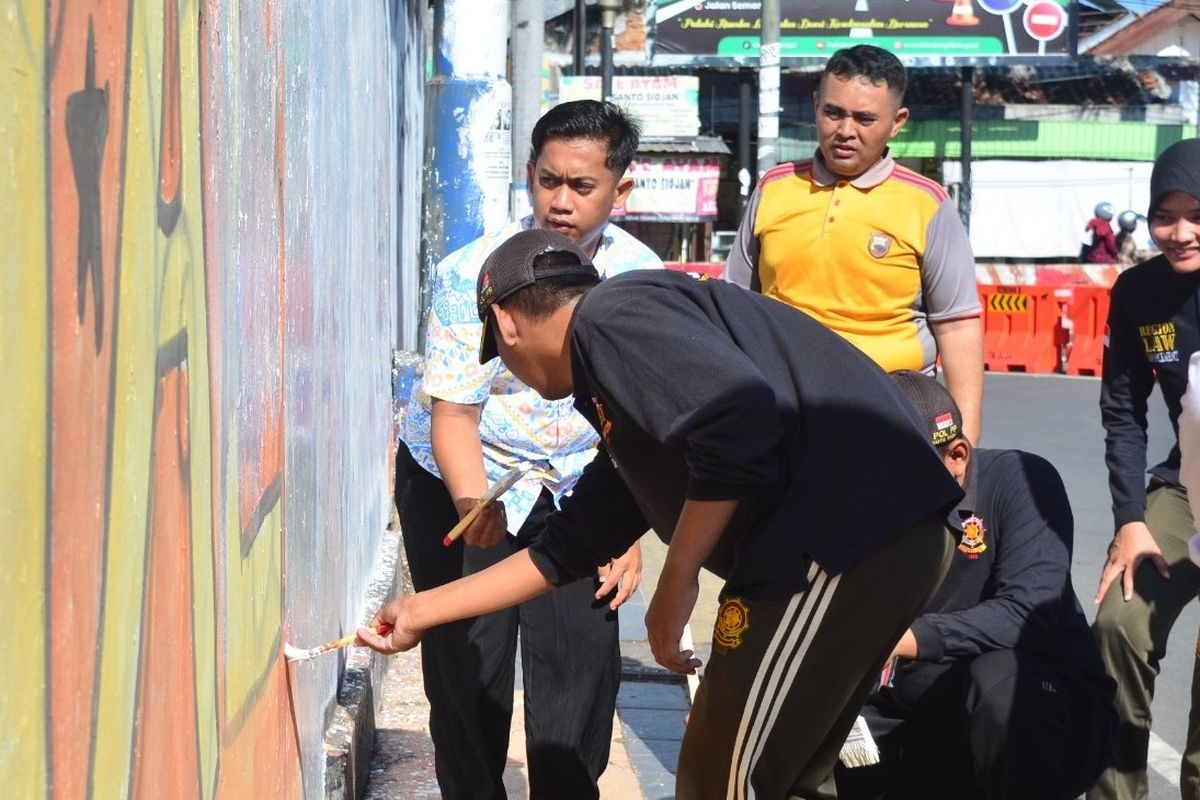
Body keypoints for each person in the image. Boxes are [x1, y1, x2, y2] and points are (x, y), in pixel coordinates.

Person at [364, 228, 966, 798]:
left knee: (726, 777)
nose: (512, 372)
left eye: (499, 356)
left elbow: (739, 423)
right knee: (781, 776)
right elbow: (567, 547)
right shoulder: (626, 381)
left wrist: (676, 581)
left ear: (505, 323)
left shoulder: (611, 319)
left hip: (844, 542)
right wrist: (422, 610)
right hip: (872, 543)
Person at [395, 99, 662, 799]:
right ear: (529, 175)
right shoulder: (470, 273)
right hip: (461, 477)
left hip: (582, 482)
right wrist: (468, 502)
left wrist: (629, 525)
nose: (561, 202)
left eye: (582, 187)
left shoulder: (639, 278)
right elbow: (454, 412)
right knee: (467, 677)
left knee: (577, 681)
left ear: (620, 190)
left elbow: (640, 419)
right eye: (549, 182)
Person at [834, 371, 1116, 800]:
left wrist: (901, 639)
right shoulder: (870, 500)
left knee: (1001, 681)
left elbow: (1026, 614)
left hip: (1037, 713)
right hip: (922, 712)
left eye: (899, 472)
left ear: (958, 456)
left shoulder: (1022, 481)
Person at [725, 44, 983, 444]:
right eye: (833, 113)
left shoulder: (927, 203)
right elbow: (734, 302)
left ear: (897, 122)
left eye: (864, 118)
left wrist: (965, 436)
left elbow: (958, 324)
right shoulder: (773, 188)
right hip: (782, 409)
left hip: (892, 414)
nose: (845, 131)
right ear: (815, 105)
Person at [1090, 137, 1200, 800]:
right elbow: (1123, 414)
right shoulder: (1138, 292)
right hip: (1187, 485)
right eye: (1167, 215)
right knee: (1119, 622)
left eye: (1198, 214)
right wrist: (1130, 521)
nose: (1181, 232)